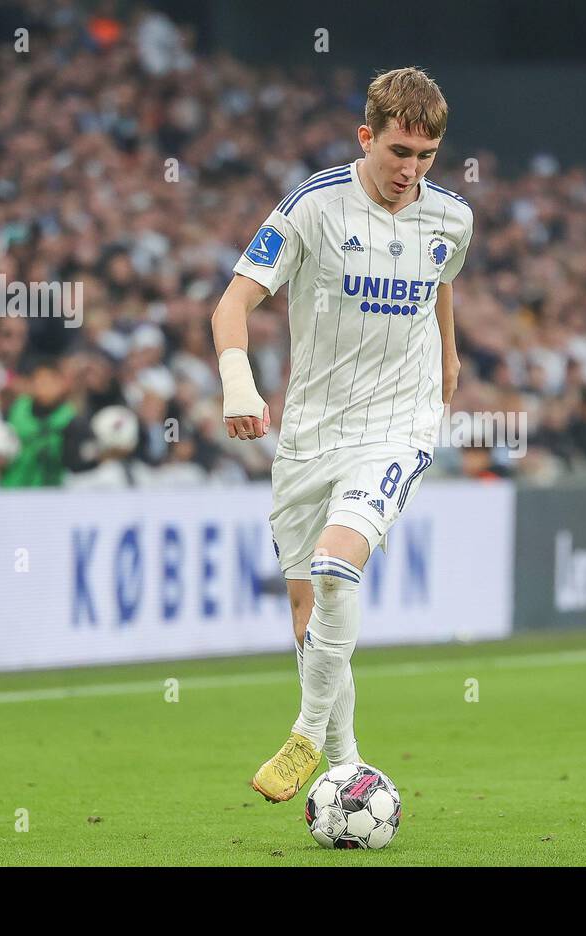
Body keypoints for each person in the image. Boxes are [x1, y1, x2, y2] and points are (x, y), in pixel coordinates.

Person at [210, 67, 472, 803]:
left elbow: (442, 278)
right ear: (367, 136)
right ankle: (346, 765)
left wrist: (448, 355)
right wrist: (238, 384)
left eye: (426, 155)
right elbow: (231, 305)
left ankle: (304, 734)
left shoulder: (451, 216)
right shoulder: (310, 208)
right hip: (310, 432)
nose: (411, 171)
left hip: (398, 423)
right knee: (306, 611)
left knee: (335, 568)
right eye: (399, 152)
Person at [0, 353, 79, 488]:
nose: (43, 386)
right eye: (39, 380)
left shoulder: (69, 418)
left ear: (62, 384)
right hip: (12, 490)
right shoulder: (17, 410)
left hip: (51, 492)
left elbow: (74, 462)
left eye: (49, 381)